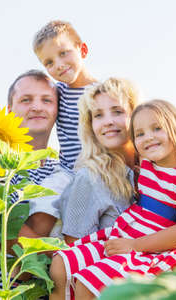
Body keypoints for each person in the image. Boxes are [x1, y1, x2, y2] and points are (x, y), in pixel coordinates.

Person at [49, 99, 176, 300]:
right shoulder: (147, 162)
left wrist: (135, 246)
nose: (148, 137)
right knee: (60, 265)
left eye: (157, 128)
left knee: (88, 284)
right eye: (139, 134)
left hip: (155, 246)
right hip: (124, 232)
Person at [0, 69, 72, 298]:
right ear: (9, 111)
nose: (37, 107)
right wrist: (70, 253)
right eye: (26, 100)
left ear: (57, 110)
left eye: (46, 100)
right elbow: (5, 231)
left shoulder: (64, 173)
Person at [56, 77, 140, 245]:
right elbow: (74, 251)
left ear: (136, 115)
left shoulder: (157, 168)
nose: (108, 121)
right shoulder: (89, 178)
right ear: (91, 125)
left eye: (117, 111)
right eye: (98, 115)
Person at [33, 20, 97, 173]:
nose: (59, 65)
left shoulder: (104, 92)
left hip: (99, 170)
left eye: (63, 53)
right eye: (49, 62)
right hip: (67, 172)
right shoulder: (56, 93)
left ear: (82, 50)